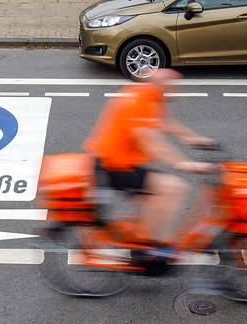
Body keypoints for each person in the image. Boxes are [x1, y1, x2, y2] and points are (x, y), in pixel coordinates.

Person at [83, 68, 216, 256]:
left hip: (118, 161)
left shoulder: (149, 95)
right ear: (162, 86)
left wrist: (196, 139)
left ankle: (141, 240)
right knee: (174, 188)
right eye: (172, 87)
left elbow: (165, 122)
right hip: (113, 166)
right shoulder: (140, 102)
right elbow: (152, 142)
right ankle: (149, 247)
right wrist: (186, 164)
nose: (175, 91)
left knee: (153, 198)